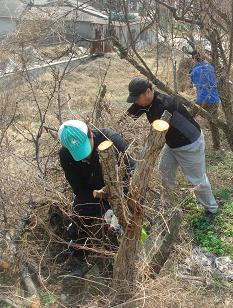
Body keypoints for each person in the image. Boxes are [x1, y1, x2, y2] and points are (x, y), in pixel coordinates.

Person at [125, 78, 218, 223]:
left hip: (189, 144)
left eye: (137, 98)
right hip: (172, 143)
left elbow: (155, 137)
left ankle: (211, 209)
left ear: (148, 92)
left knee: (197, 179)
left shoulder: (163, 106)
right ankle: (167, 205)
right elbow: (129, 116)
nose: (136, 102)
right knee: (165, 171)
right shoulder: (145, 102)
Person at [58, 120, 135, 277]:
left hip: (119, 192)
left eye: (85, 149)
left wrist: (118, 207)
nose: (84, 155)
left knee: (116, 228)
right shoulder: (65, 156)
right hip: (91, 193)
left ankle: (116, 263)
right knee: (78, 217)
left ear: (91, 135)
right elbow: (79, 189)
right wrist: (103, 210)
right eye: (77, 152)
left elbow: (132, 175)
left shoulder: (111, 141)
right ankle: (80, 259)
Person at [189, 50, 221, 150]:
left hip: (201, 100)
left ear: (194, 59)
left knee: (188, 118)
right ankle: (217, 146)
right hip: (214, 100)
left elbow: (193, 82)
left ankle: (186, 140)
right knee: (213, 123)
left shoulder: (194, 70)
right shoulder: (211, 67)